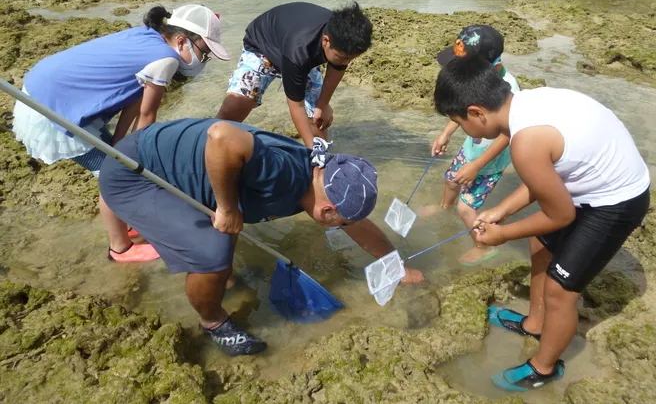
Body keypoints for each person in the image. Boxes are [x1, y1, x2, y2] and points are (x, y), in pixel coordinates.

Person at [98, 118, 425, 356]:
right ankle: (212, 321)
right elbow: (222, 136)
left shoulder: (318, 173)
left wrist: (396, 265)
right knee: (212, 253)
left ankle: (222, 281)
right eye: (342, 219)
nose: (344, 225)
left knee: (226, 242)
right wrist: (226, 207)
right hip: (135, 174)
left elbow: (357, 224)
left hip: (170, 163)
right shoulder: (283, 175)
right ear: (327, 211)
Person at [433, 55, 650, 391]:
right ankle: (534, 324)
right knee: (538, 243)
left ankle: (545, 368)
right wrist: (501, 210)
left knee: (560, 290)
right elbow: (545, 178)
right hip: (585, 186)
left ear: (476, 112)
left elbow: (560, 215)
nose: (465, 131)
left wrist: (502, 234)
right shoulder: (527, 103)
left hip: (615, 202)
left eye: (460, 123)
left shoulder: (526, 141)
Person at [12, 3, 230, 262]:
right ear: (181, 40)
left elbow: (135, 98)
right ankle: (121, 248)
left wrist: (119, 144)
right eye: (204, 53)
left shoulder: (150, 36)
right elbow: (148, 116)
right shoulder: (166, 60)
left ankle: (123, 219)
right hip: (50, 110)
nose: (203, 61)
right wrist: (136, 162)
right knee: (114, 176)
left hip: (48, 91)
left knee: (118, 162)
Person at [215, 2, 373, 148]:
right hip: (262, 46)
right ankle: (208, 140)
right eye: (344, 57)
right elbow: (296, 106)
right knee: (236, 105)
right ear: (326, 41)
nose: (348, 61)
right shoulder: (299, 53)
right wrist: (311, 149)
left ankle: (319, 160)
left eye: (352, 57)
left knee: (317, 119)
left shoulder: (343, 37)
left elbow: (338, 66)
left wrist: (323, 104)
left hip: (295, 45)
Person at [429, 25, 520, 266]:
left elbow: (508, 133)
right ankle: (442, 207)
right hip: (472, 148)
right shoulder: (472, 84)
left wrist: (477, 166)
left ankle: (482, 246)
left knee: (466, 208)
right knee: (450, 179)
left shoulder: (509, 91)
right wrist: (446, 132)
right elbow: (461, 110)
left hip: (490, 161)